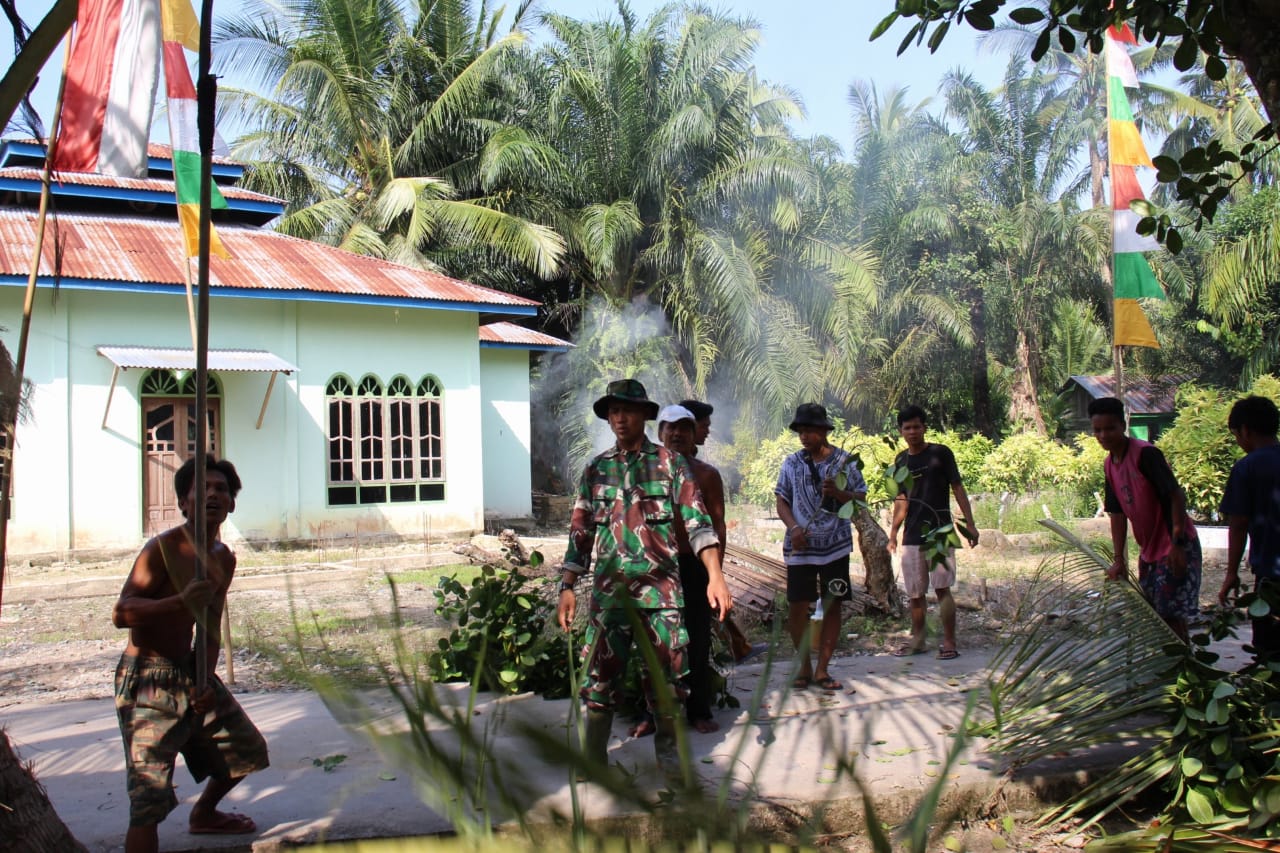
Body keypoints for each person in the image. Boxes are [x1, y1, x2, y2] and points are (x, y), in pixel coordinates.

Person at [556, 379, 732, 782]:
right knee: (598, 683)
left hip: (661, 598)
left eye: (628, 410)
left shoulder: (671, 465)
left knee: (669, 683)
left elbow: (699, 525)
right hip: (609, 599)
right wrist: (567, 586)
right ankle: (593, 761)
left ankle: (670, 762)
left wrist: (715, 576)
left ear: (644, 416)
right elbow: (580, 533)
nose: (620, 418)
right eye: (613, 411)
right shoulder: (596, 469)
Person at [112, 456, 268, 853]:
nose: (213, 494)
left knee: (247, 749)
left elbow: (210, 627)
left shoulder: (223, 558)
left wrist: (204, 681)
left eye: (221, 489)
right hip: (147, 677)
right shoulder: (160, 550)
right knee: (147, 800)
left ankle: (205, 815)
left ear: (231, 503)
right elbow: (122, 612)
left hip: (189, 671)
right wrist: (178, 602)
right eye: (203, 489)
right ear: (184, 502)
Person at [1089, 396, 1202, 642]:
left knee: (1170, 616)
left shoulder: (1146, 455)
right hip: (1149, 551)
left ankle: (1185, 671)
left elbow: (1175, 496)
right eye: (1097, 430)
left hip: (1174, 546)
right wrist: (1119, 559)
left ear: (1123, 426)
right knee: (1156, 615)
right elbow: (1116, 514)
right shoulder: (1110, 465)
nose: (1103, 435)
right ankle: (1175, 669)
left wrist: (1177, 544)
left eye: (1110, 428)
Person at [774, 403, 867, 691]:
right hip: (800, 548)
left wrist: (839, 493)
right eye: (801, 431)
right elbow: (781, 500)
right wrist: (794, 527)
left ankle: (823, 669)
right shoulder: (791, 463)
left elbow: (861, 498)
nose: (804, 436)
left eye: (810, 430)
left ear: (824, 431)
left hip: (835, 547)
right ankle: (803, 667)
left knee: (833, 604)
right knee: (797, 606)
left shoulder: (844, 462)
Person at [887, 404, 977, 659]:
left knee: (942, 589)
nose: (913, 432)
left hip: (941, 532)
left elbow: (958, 488)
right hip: (912, 535)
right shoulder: (901, 460)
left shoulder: (941, 453)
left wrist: (970, 524)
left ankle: (949, 641)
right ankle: (918, 640)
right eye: (907, 428)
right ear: (901, 432)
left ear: (925, 427)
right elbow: (901, 499)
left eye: (917, 426)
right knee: (915, 593)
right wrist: (893, 533)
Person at [658, 404, 726, 734]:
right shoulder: (646, 473)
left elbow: (717, 525)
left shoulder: (707, 475)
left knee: (698, 638)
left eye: (684, 428)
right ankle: (653, 711)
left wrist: (717, 574)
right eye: (670, 428)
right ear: (660, 434)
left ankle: (699, 709)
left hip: (694, 563)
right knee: (656, 641)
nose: (677, 434)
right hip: (656, 566)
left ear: (694, 433)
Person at [1218, 395, 1280, 659]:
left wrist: (1231, 573)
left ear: (1245, 431)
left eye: (1236, 435)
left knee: (1270, 651)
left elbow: (1239, 524)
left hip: (1271, 578)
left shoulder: (1246, 468)